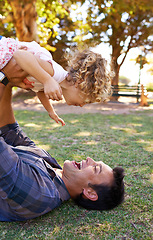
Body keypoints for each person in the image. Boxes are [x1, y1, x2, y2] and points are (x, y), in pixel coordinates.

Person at [0, 84, 124, 222]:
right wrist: (7, 83)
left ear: (90, 193)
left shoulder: (41, 193)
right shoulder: (52, 165)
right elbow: (9, 131)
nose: (89, 158)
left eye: (95, 168)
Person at [0, 36, 112, 126]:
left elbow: (40, 91)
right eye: (86, 101)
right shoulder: (55, 73)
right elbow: (20, 55)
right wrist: (47, 80)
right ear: (80, 82)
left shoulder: (55, 83)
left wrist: (50, 111)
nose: (82, 105)